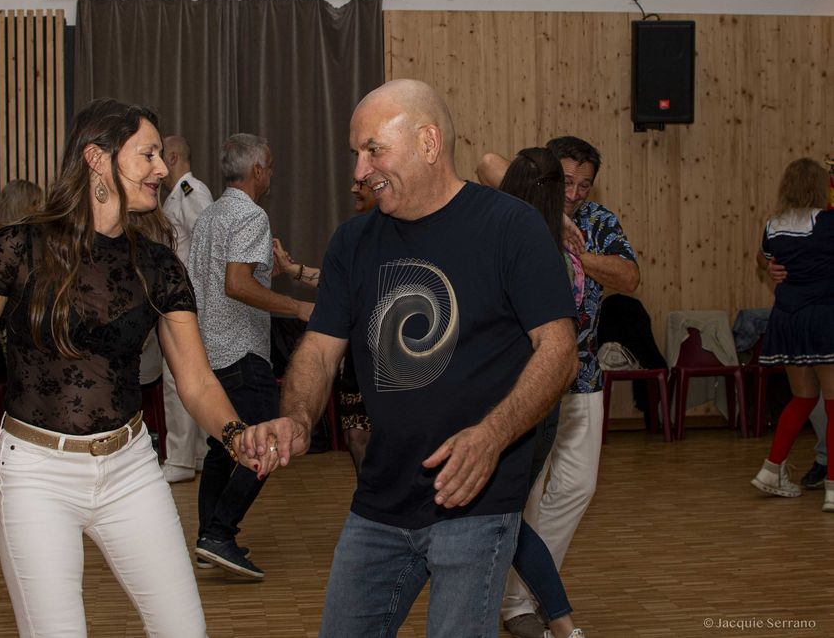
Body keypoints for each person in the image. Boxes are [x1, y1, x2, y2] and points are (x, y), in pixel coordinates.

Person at [0, 99, 285, 636]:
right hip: (36, 474)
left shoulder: (159, 265)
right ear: (97, 158)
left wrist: (234, 435)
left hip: (131, 469)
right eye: (147, 155)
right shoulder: (19, 248)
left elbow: (197, 380)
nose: (161, 170)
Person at [241, 79, 578, 637]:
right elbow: (320, 350)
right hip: (381, 498)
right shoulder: (352, 242)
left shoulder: (509, 226)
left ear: (429, 142)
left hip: (476, 496)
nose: (359, 171)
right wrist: (297, 417)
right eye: (356, 153)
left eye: (373, 150)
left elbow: (559, 351)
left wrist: (491, 436)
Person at [484, 137, 640, 638]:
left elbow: (629, 276)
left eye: (584, 185)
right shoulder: (519, 211)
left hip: (583, 375)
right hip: (529, 381)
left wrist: (577, 250)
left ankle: (525, 593)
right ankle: (518, 605)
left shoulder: (597, 221)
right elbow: (488, 165)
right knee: (523, 496)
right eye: (566, 182)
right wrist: (549, 218)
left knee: (576, 488)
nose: (574, 193)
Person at [187, 132, 314, 580]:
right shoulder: (251, 215)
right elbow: (236, 284)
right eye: (270, 166)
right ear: (257, 170)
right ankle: (219, 533)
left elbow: (221, 282)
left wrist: (270, 272)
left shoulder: (210, 216)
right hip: (241, 352)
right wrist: (298, 307)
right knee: (268, 443)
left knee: (224, 449)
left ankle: (209, 538)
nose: (272, 174)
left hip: (208, 351)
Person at [496, 148, 584, 638]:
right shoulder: (563, 252)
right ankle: (563, 624)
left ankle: (564, 625)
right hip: (546, 404)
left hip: (511, 404)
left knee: (502, 516)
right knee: (503, 515)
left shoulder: (506, 246)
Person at [272, 179, 378, 473]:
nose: (354, 189)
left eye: (362, 185)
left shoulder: (396, 236)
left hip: (387, 355)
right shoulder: (354, 237)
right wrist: (292, 270)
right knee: (356, 435)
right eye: (353, 182)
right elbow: (334, 281)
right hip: (357, 356)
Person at [750, 157, 834, 512]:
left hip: (787, 319)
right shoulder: (828, 223)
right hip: (824, 318)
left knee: (802, 399)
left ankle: (771, 470)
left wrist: (769, 266)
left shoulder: (774, 224)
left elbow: (762, 257)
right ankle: (833, 489)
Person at [159, 134, 214, 484]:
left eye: (160, 155)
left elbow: (208, 243)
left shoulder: (191, 192)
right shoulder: (177, 195)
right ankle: (196, 454)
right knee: (185, 376)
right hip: (183, 299)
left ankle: (179, 459)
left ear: (174, 157)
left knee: (176, 378)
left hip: (188, 301)